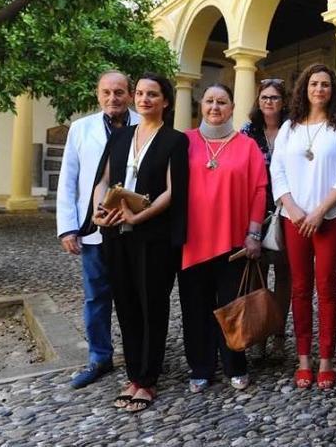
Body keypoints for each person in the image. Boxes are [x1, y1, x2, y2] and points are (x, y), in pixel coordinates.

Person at [83, 73, 188, 412]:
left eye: (152, 94)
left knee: (151, 305)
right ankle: (133, 373)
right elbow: (105, 179)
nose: (144, 99)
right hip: (116, 233)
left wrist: (138, 217)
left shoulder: (175, 140)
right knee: (126, 304)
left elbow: (173, 191)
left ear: (165, 101)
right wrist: (101, 211)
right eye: (140, 93)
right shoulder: (121, 135)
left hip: (154, 236)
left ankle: (147, 379)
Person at [270, 63, 336, 390]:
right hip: (294, 219)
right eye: (313, 84)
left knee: (327, 287)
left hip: (330, 219)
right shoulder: (289, 128)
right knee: (299, 288)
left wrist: (320, 211)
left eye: (325, 84)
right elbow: (277, 171)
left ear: (332, 90)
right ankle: (304, 356)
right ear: (304, 89)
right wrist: (292, 208)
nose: (319, 89)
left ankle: (326, 359)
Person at [179, 83, 268, 393]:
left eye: (222, 102)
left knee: (232, 308)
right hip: (191, 241)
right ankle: (200, 366)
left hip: (233, 242)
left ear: (232, 108)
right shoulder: (185, 142)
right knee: (194, 307)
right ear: (201, 106)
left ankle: (235, 364)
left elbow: (260, 190)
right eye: (209, 101)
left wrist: (254, 233)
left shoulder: (247, 146)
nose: (215, 107)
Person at [57, 70, 139, 389]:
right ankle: (99, 357)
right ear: (97, 94)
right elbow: (68, 181)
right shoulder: (81, 129)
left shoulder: (143, 126)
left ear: (129, 95)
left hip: (133, 227)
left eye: (119, 92)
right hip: (93, 229)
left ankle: (139, 356)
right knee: (96, 296)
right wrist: (67, 229)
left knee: (133, 295)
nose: (112, 98)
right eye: (106, 92)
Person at [241, 78, 291, 354]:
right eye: (264, 98)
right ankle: (259, 333)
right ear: (258, 102)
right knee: (257, 275)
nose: (269, 102)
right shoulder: (247, 132)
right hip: (256, 212)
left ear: (283, 102)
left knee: (285, 275)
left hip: (288, 210)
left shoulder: (294, 129)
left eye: (274, 98)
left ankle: (279, 334)